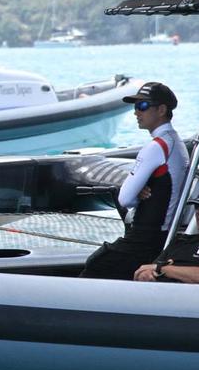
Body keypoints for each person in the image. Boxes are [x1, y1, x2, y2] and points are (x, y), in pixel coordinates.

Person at [80, 81, 189, 280]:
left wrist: (138, 193)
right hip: (163, 236)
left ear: (162, 109)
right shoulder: (177, 142)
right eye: (135, 106)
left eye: (143, 106)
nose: (136, 112)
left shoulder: (157, 147)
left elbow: (125, 199)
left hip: (145, 239)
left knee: (96, 264)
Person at [134, 186, 199, 284]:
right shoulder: (181, 240)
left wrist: (161, 268)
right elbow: (148, 268)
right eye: (197, 206)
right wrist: (144, 274)